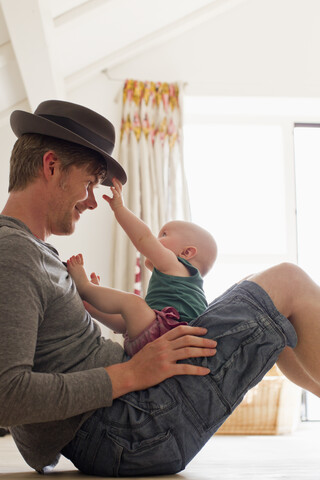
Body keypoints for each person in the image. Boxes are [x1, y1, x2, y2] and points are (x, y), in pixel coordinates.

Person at [0, 100, 319, 477]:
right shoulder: (14, 252)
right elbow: (8, 396)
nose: (90, 202)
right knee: (288, 280)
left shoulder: (31, 251)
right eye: (88, 184)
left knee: (268, 312)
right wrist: (132, 373)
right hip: (131, 426)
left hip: (129, 420)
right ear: (51, 166)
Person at [67, 177, 217, 356]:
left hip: (166, 337)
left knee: (134, 303)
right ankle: (92, 306)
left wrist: (119, 209)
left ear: (186, 253)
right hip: (163, 343)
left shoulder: (176, 266)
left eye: (163, 234)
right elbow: (130, 323)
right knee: (130, 316)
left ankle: (85, 288)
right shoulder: (180, 287)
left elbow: (143, 239)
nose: (155, 238)